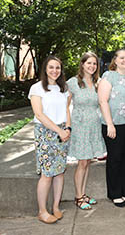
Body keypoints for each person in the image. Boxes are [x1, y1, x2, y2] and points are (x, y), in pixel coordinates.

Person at [28, 56, 71, 224]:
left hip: (63, 133)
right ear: (45, 69)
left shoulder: (63, 88)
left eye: (58, 68)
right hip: (45, 133)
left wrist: (68, 128)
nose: (55, 71)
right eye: (51, 67)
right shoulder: (36, 88)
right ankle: (42, 211)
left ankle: (55, 206)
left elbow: (67, 109)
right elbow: (39, 114)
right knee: (47, 174)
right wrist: (59, 130)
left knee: (59, 172)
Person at [98, 49, 125, 207]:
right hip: (114, 125)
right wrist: (110, 123)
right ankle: (114, 193)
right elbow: (103, 101)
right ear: (115, 60)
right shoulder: (108, 76)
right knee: (115, 159)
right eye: (122, 58)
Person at [67, 52, 106, 210]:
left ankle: (83, 194)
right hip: (80, 126)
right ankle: (78, 197)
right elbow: (65, 106)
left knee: (88, 162)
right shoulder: (73, 82)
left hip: (94, 126)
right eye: (89, 63)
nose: (92, 66)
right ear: (82, 64)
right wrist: (68, 126)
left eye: (94, 64)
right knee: (82, 162)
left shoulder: (98, 83)